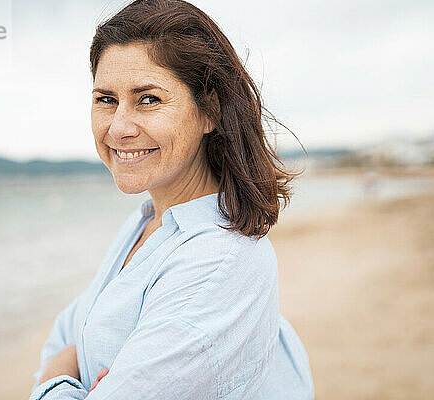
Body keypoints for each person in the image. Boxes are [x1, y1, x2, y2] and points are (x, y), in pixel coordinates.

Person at [29, 0, 314, 398]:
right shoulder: (147, 224)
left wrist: (54, 379)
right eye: (105, 99)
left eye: (148, 99)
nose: (119, 127)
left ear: (209, 110)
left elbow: (60, 355)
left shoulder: (222, 261)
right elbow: (67, 332)